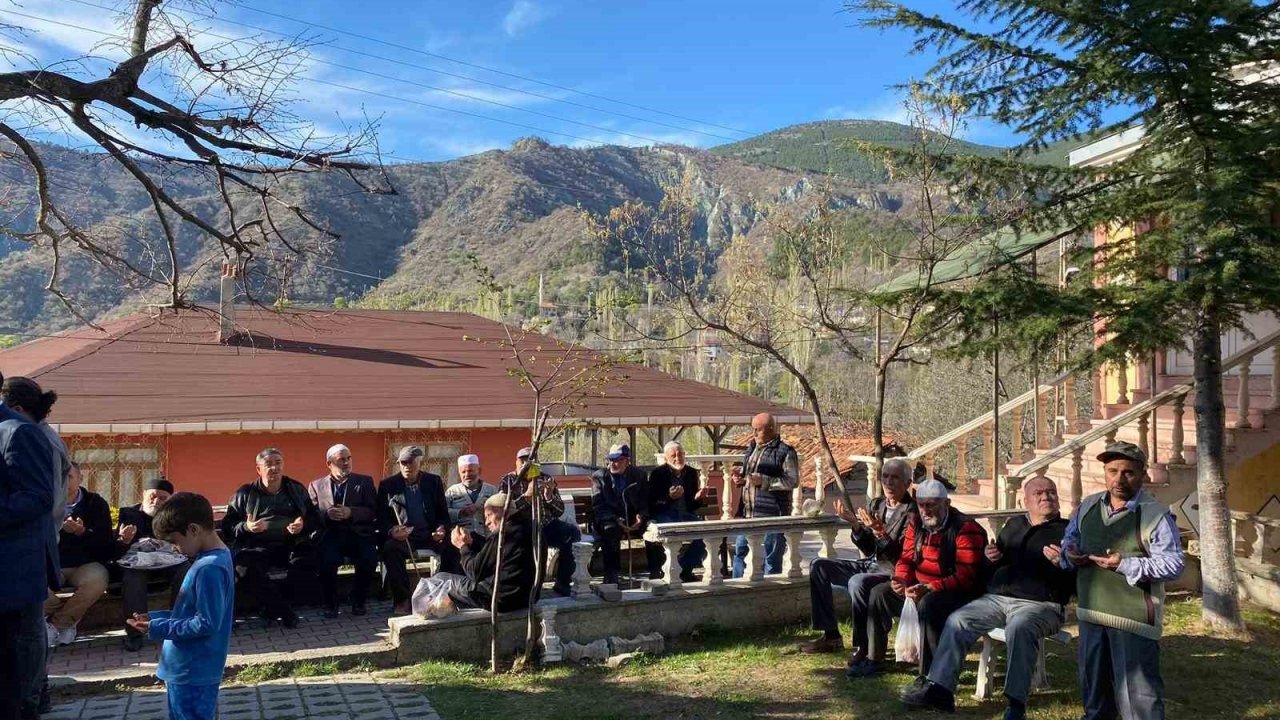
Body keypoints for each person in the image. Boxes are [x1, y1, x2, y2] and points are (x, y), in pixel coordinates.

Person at [902, 475, 1074, 718]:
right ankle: (940, 690)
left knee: (1019, 628)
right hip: (997, 599)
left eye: (1051, 492)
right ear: (1026, 500)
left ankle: (1016, 703)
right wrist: (990, 557)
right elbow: (991, 566)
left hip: (1041, 604)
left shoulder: (1068, 531)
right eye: (1039, 493)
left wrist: (1064, 563)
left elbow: (1079, 576)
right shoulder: (1014, 525)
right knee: (958, 620)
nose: (1046, 496)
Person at [1059, 441, 1184, 720]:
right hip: (1091, 614)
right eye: (1112, 471)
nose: (1118, 479)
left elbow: (1175, 565)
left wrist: (1126, 564)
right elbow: (1070, 540)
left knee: (1139, 702)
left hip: (1134, 621)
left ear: (1142, 475)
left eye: (1128, 472)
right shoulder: (1088, 507)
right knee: (1095, 695)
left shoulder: (1155, 515)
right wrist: (1071, 554)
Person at [854, 478, 987, 680]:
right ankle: (874, 659)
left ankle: (930, 673)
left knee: (928, 604)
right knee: (879, 593)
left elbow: (966, 576)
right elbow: (906, 558)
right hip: (920, 588)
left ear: (947, 504)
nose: (926, 510)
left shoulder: (966, 529)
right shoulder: (916, 523)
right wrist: (901, 581)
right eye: (922, 505)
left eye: (931, 505)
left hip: (956, 593)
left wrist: (930, 587)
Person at [799, 458, 917, 666]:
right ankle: (831, 636)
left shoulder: (913, 513)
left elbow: (902, 557)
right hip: (871, 563)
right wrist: (856, 525)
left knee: (857, 582)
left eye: (895, 477)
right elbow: (870, 549)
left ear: (907, 483)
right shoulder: (877, 504)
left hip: (892, 570)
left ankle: (863, 646)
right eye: (885, 477)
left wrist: (881, 532)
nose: (889, 482)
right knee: (819, 566)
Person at [128, 492, 234, 720]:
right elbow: (191, 611)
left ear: (194, 530)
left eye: (175, 541)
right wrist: (155, 619)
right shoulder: (218, 557)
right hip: (194, 668)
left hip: (191, 669)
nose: (175, 549)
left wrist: (158, 628)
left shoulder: (209, 568)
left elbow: (206, 623)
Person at [1, 376, 63, 717]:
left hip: (18, 562)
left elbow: (40, 497)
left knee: (23, 644)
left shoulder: (19, 432)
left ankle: (34, 698)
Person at [221, 448, 319, 629]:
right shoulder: (245, 493)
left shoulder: (296, 489)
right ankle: (285, 612)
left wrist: (303, 524)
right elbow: (228, 526)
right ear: (259, 469)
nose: (274, 468)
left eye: (278, 463)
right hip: (257, 545)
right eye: (268, 464)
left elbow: (314, 518)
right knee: (244, 569)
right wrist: (246, 527)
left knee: (307, 563)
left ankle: (272, 609)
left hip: (291, 543)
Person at [378, 446, 460, 615]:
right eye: (403, 463)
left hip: (429, 534)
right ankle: (402, 600)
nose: (407, 466)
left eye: (410, 462)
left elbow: (443, 514)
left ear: (419, 462)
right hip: (405, 536)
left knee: (452, 546)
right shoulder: (388, 485)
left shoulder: (433, 481)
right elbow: (381, 519)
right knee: (390, 548)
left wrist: (441, 529)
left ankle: (444, 596)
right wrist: (392, 531)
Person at [116, 477, 190, 652]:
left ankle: (177, 625)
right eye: (153, 496)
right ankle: (135, 633)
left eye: (163, 498)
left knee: (186, 571)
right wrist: (123, 540)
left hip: (167, 564)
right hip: (138, 565)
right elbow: (117, 549)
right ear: (144, 495)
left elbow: (184, 543)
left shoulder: (174, 518)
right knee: (132, 578)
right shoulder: (129, 514)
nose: (156, 501)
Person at [44, 462, 113, 647]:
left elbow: (105, 542)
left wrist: (81, 532)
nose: (64, 482)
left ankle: (55, 625)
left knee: (97, 580)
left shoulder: (95, 503)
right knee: (33, 586)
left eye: (69, 477)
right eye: (60, 477)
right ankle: (70, 619)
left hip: (83, 564)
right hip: (51, 564)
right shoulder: (44, 502)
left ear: (80, 478)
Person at [307, 444, 378, 619]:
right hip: (330, 534)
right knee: (326, 562)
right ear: (329, 463)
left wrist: (351, 512)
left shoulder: (364, 482)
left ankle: (358, 600)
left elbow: (373, 511)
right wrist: (327, 515)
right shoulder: (316, 485)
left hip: (358, 533)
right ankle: (331, 605)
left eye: (348, 458)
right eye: (341, 459)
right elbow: (311, 515)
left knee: (368, 559)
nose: (346, 462)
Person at [499, 447, 581, 596]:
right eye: (523, 460)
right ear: (516, 462)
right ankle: (530, 588)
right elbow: (505, 510)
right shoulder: (508, 481)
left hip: (546, 525)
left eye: (531, 460)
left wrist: (549, 496)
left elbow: (559, 510)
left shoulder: (546, 478)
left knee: (571, 533)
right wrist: (527, 495)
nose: (527, 464)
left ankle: (563, 583)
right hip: (522, 527)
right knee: (530, 546)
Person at [436, 492, 537, 612]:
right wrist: (472, 543)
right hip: (528, 598)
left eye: (489, 515)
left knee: (439, 579)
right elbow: (497, 555)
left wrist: (462, 546)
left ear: (503, 511)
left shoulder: (504, 534)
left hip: (498, 599)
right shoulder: (533, 529)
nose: (486, 522)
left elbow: (474, 573)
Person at [731, 413, 800, 577]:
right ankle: (737, 588)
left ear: (770, 429)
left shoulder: (785, 452)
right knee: (740, 552)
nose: (754, 434)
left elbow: (792, 481)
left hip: (773, 514)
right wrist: (741, 478)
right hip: (748, 513)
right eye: (753, 429)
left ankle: (770, 594)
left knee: (772, 558)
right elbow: (749, 476)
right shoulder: (752, 448)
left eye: (758, 430)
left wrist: (765, 481)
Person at [590, 443, 654, 584]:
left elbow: (645, 502)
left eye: (618, 460)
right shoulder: (600, 476)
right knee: (610, 531)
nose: (613, 463)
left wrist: (641, 517)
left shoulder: (639, 475)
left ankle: (656, 570)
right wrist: (616, 520)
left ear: (627, 461)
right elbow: (598, 506)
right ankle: (612, 574)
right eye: (611, 460)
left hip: (632, 517)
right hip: (609, 518)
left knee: (654, 529)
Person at [646, 441, 709, 582]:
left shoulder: (691, 473)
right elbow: (653, 505)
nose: (677, 458)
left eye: (680, 454)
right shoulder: (658, 474)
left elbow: (692, 506)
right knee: (668, 532)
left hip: (686, 515)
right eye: (673, 455)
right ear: (666, 458)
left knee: (706, 534)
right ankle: (666, 571)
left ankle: (684, 569)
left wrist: (699, 498)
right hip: (665, 514)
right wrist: (670, 498)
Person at [445, 454, 498, 535]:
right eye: (463, 472)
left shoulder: (491, 490)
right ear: (459, 473)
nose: (467, 475)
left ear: (479, 471)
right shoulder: (452, 492)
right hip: (461, 539)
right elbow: (443, 513)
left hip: (487, 539)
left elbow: (501, 513)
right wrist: (461, 512)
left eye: (470, 471)